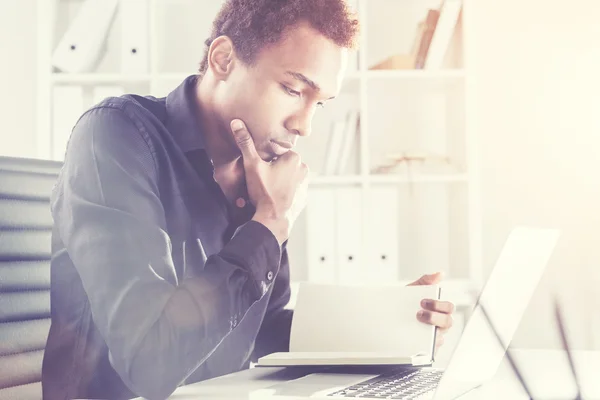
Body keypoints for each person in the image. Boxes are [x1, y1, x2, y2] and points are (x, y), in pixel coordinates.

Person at [41, 0, 455, 399]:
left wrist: (387, 325)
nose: (305, 126)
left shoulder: (259, 170)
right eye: (293, 89)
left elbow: (262, 332)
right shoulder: (115, 137)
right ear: (223, 59)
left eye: (321, 104)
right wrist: (269, 223)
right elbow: (149, 366)